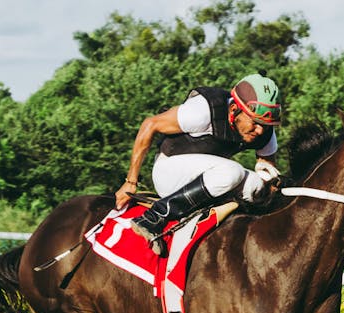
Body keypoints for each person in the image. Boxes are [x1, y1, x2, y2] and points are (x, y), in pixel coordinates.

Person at [114, 72, 283, 255]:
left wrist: (271, 183)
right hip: (169, 171)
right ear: (234, 109)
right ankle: (154, 217)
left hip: (206, 177)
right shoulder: (201, 111)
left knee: (256, 186)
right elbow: (150, 125)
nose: (260, 130)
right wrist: (130, 182)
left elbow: (267, 171)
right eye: (255, 122)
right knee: (232, 171)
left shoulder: (264, 131)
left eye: (265, 125)